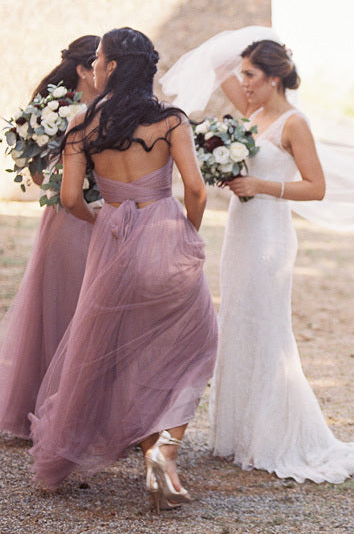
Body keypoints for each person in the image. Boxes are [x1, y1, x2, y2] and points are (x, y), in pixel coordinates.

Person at [27, 28, 218, 511]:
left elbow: (70, 199)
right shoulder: (171, 121)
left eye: (100, 60)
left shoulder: (81, 125)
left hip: (113, 238)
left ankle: (105, 452)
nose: (94, 68)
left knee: (113, 349)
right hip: (165, 231)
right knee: (192, 347)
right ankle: (163, 451)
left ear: (110, 68)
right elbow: (196, 190)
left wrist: (105, 221)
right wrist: (186, 233)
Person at [207, 39, 354, 482]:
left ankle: (273, 434)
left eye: (251, 75)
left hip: (270, 231)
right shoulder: (252, 114)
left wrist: (261, 186)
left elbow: (316, 186)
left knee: (266, 325)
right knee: (237, 319)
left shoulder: (295, 123)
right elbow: (217, 63)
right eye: (244, 74)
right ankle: (240, 432)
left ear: (274, 78)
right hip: (241, 229)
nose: (243, 83)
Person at [0, 35, 101, 439]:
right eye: (100, 64)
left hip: (87, 214)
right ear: (82, 69)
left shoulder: (95, 110)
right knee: (68, 304)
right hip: (72, 217)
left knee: (84, 305)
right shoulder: (63, 111)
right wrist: (65, 187)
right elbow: (36, 168)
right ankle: (58, 410)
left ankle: (74, 406)